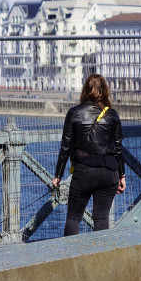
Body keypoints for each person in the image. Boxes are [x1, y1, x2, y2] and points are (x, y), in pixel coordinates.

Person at [52, 74, 126, 236]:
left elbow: (65, 146)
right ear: (105, 91)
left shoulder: (74, 112)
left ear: (85, 90)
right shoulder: (112, 115)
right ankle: (101, 258)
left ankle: (71, 257)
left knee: (73, 217)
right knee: (101, 219)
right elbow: (118, 149)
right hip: (109, 173)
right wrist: (122, 175)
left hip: (84, 171)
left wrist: (58, 175)